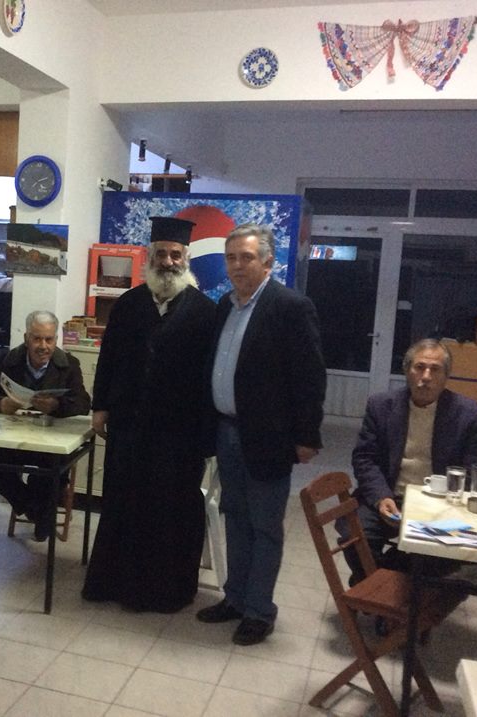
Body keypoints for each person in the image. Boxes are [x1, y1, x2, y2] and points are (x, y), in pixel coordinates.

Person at [197, 223, 326, 646]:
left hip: (268, 436)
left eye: (247, 257)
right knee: (235, 517)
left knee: (265, 525)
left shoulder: (290, 307)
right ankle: (235, 599)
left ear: (267, 262)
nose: (237, 265)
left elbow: (310, 377)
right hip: (226, 431)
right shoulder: (225, 305)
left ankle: (259, 610)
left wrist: (307, 436)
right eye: (231, 258)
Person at [82, 216, 216, 613]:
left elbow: (208, 377)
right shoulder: (128, 304)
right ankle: (114, 583)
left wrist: (206, 431)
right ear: (150, 257)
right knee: (123, 501)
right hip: (129, 426)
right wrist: (100, 407)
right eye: (161, 254)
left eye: (175, 254)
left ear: (185, 258)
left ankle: (166, 591)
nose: (168, 261)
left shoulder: (204, 311)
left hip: (179, 435)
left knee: (169, 509)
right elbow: (108, 359)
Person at [338, 338, 477, 585]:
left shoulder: (471, 416)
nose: (426, 376)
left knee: (456, 551)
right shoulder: (381, 406)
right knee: (354, 537)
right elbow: (364, 458)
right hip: (389, 496)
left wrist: (443, 504)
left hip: (439, 505)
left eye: (435, 369)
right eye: (419, 367)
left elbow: (475, 470)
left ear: (446, 376)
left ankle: (379, 583)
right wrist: (381, 497)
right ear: (407, 371)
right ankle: (384, 587)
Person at [0, 310, 91, 540]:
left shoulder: (68, 364)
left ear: (56, 339)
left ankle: (40, 513)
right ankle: (37, 511)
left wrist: (56, 405)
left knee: (49, 476)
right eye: (37, 339)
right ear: (26, 338)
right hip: (14, 440)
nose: (43, 346)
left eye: (49, 339)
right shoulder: (8, 361)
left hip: (50, 444)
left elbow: (84, 403)